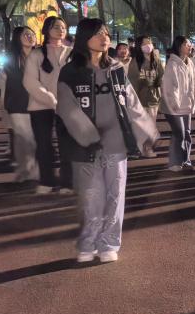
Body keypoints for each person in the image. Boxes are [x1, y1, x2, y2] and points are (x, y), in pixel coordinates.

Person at [56, 18, 157, 263]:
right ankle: (88, 243)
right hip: (85, 146)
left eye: (106, 34)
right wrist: (88, 136)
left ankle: (109, 243)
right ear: (85, 38)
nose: (105, 38)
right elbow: (67, 108)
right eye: (98, 34)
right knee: (91, 196)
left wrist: (148, 131)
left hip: (116, 143)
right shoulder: (70, 72)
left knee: (115, 194)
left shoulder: (116, 68)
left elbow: (131, 103)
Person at [24, 15, 72, 194]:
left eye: (63, 27)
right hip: (40, 107)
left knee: (66, 144)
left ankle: (67, 182)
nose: (61, 30)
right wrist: (51, 99)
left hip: (67, 107)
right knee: (44, 145)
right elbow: (30, 82)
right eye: (56, 27)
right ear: (47, 30)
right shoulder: (36, 54)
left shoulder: (72, 53)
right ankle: (46, 181)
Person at [0, 27, 39, 183]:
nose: (30, 37)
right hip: (18, 105)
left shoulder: (41, 57)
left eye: (32, 34)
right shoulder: (11, 61)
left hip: (39, 105)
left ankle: (28, 170)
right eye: (25, 35)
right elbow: (6, 85)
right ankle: (28, 171)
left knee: (34, 139)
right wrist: (6, 108)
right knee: (25, 138)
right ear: (17, 38)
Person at [161, 36, 195, 173]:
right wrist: (174, 104)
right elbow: (169, 87)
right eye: (187, 44)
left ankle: (186, 159)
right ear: (179, 46)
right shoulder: (172, 64)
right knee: (179, 133)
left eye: (190, 44)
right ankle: (175, 162)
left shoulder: (190, 63)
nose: (190, 46)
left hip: (186, 104)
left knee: (187, 133)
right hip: (173, 106)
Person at [126, 35, 164, 159]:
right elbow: (132, 83)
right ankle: (139, 149)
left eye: (150, 42)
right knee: (139, 127)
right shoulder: (135, 62)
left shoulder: (156, 60)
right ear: (139, 46)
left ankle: (146, 149)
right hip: (140, 100)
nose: (148, 45)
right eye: (145, 43)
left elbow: (161, 77)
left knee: (150, 125)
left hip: (153, 99)